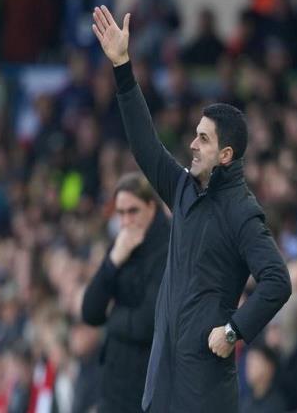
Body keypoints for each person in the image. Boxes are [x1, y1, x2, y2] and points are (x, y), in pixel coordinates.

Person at [91, 5, 292, 412]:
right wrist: (122, 66)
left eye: (203, 139)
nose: (192, 145)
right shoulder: (184, 189)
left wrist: (234, 331)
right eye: (196, 135)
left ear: (226, 154)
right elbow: (145, 146)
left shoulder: (242, 212)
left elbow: (277, 281)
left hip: (204, 390)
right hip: (162, 383)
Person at [82, 172, 170, 413]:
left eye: (133, 211)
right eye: (120, 213)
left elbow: (148, 323)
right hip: (113, 386)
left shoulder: (169, 249)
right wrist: (112, 263)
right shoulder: (121, 246)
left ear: (151, 207)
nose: (126, 221)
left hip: (148, 390)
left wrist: (112, 317)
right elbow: (90, 312)